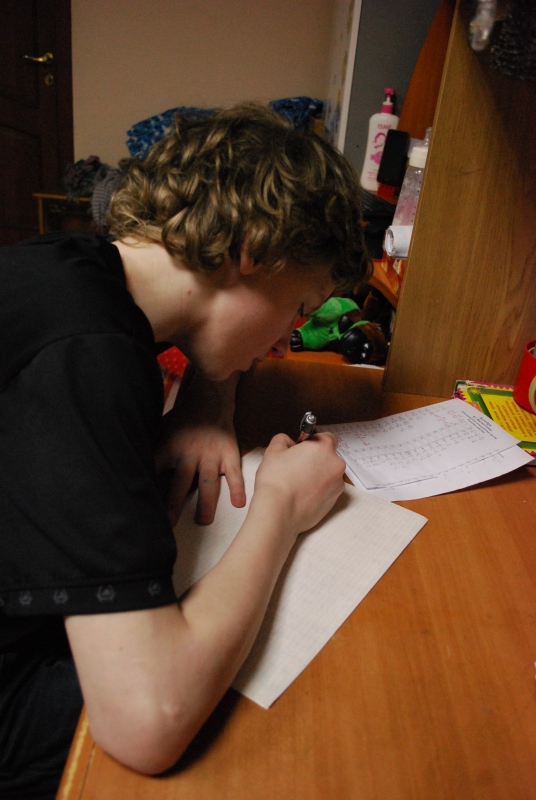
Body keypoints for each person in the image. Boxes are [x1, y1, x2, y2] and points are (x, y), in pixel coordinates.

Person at [0, 103, 371, 798]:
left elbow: (218, 318)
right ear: (254, 250)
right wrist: (280, 508)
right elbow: (148, 721)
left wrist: (209, 396)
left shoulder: (70, 268)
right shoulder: (89, 359)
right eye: (299, 306)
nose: (287, 341)